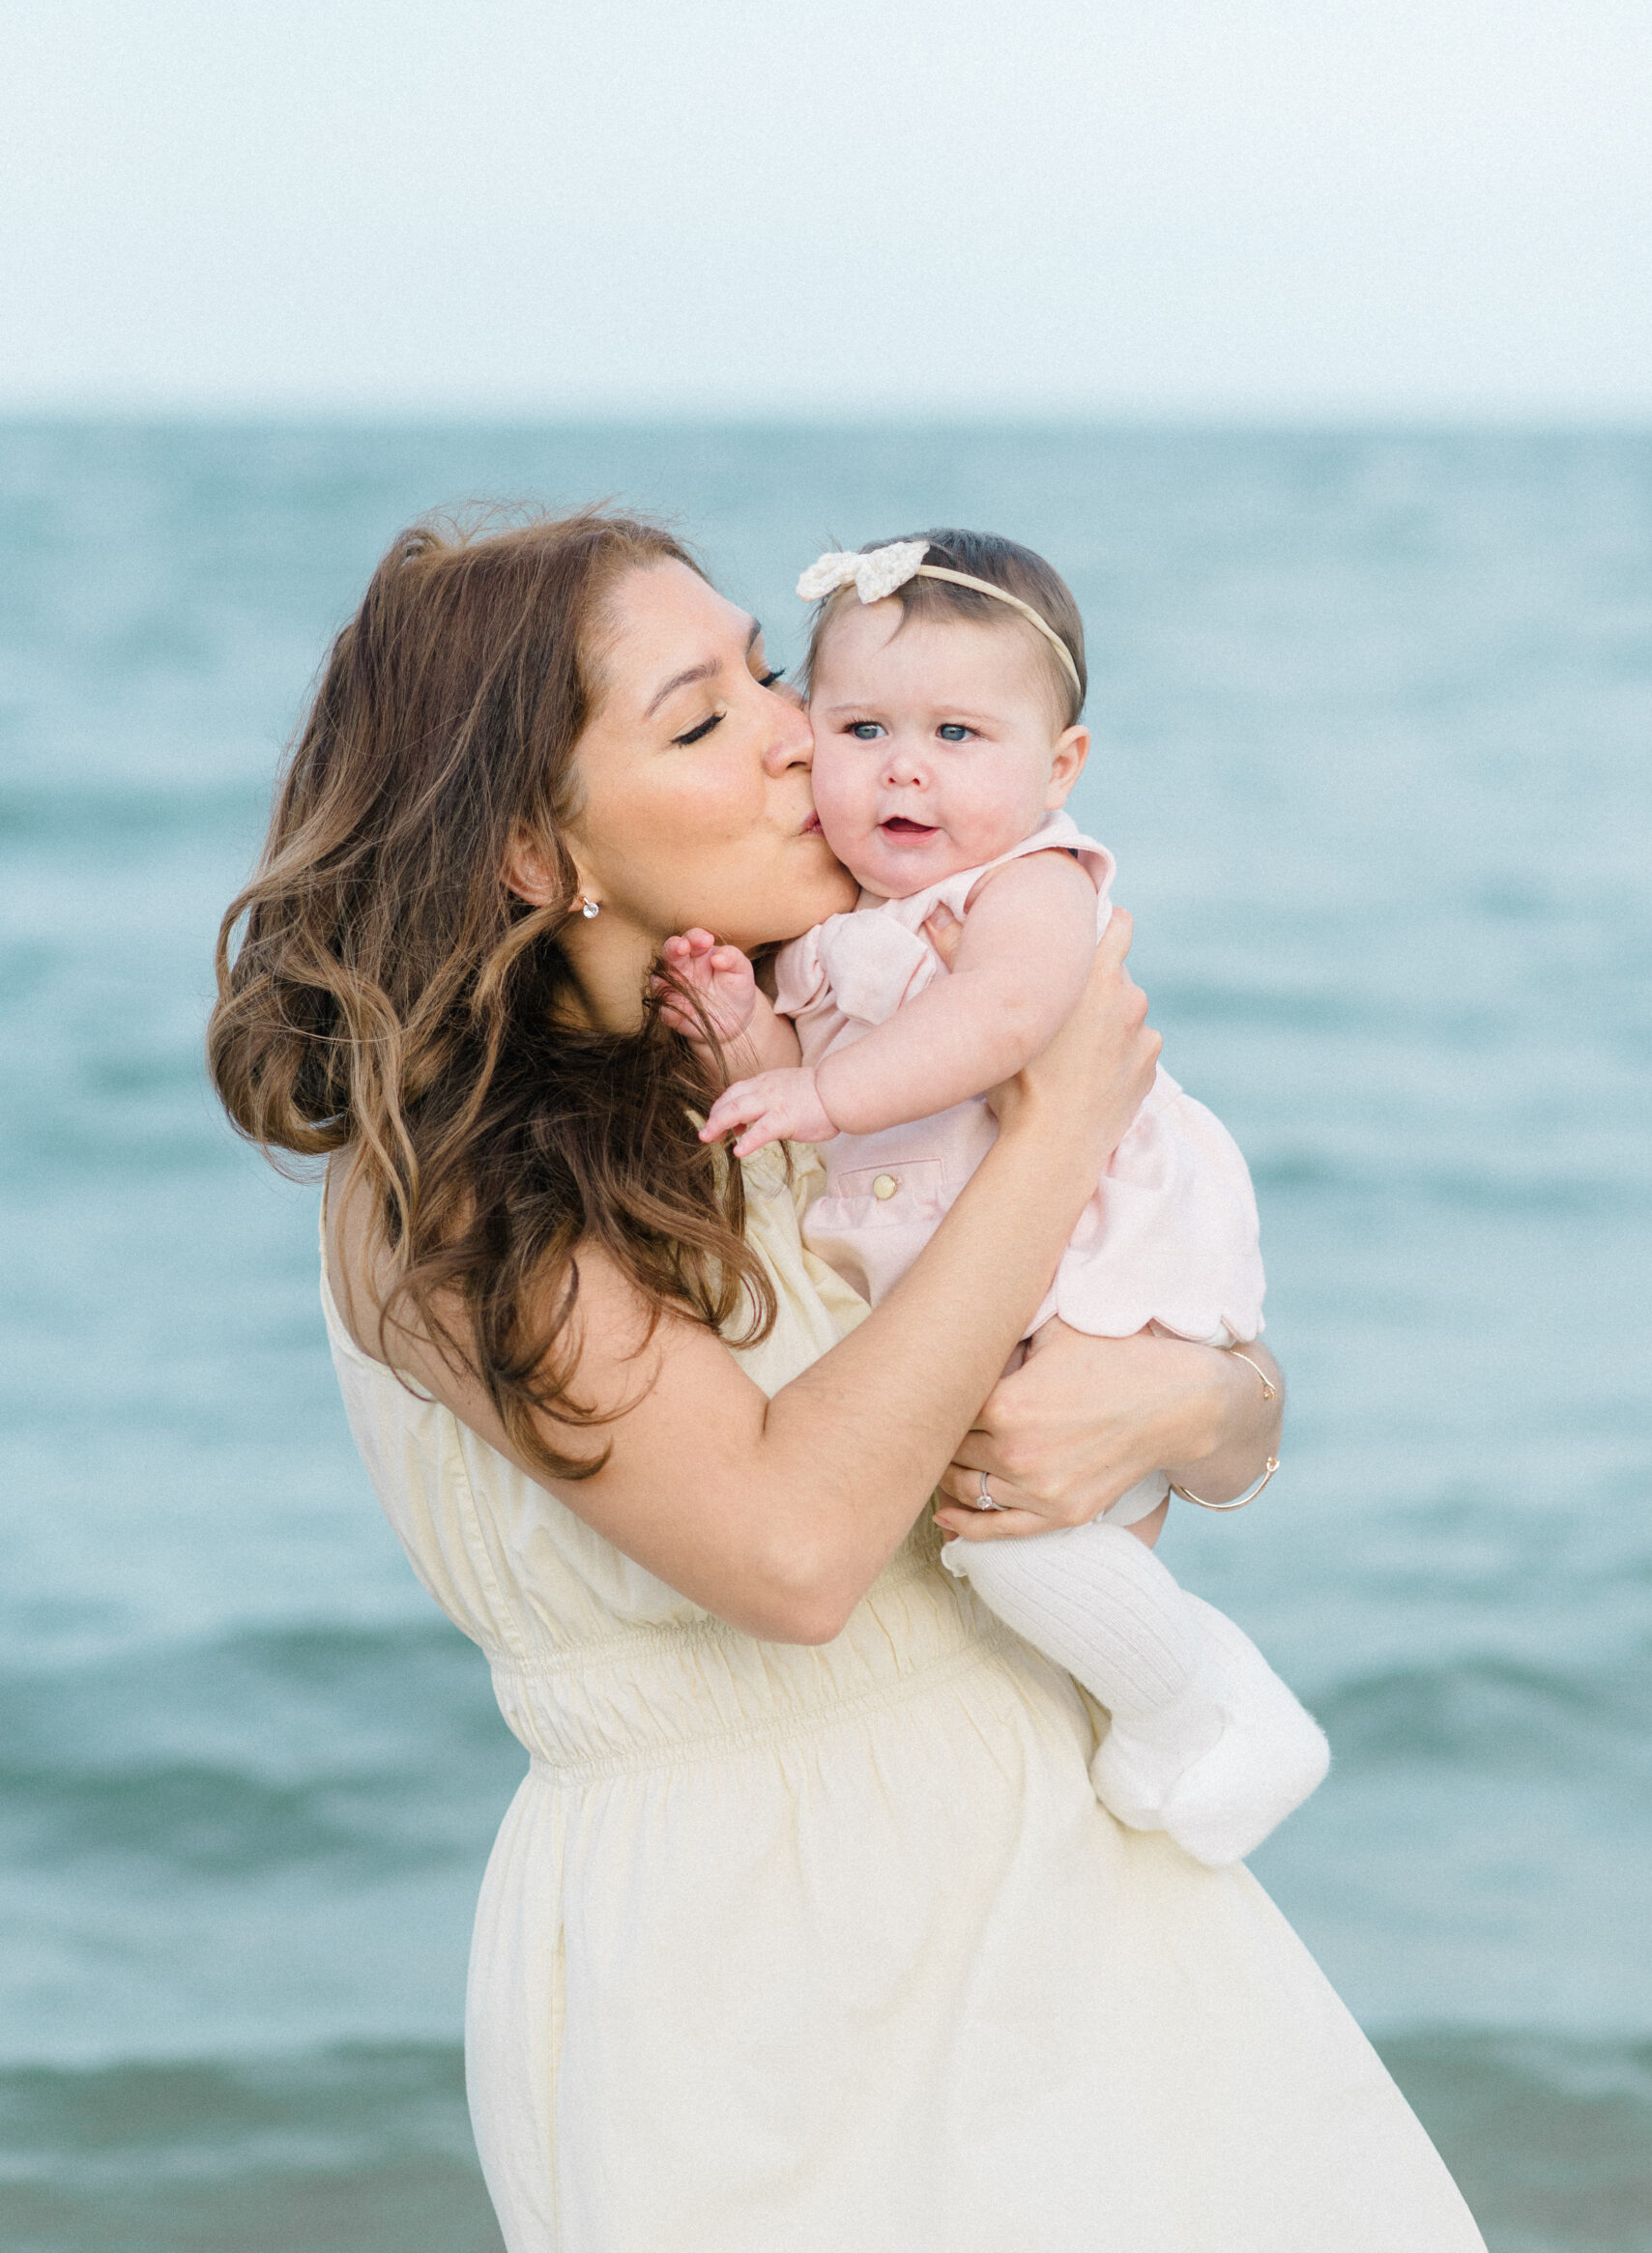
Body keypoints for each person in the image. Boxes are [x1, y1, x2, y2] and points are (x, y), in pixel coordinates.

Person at [209, 511, 1485, 2251]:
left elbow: (1179, 1382)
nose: (800, 733)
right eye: (700, 717)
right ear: (531, 850)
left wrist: (1200, 1414)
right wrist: (1058, 1127)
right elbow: (794, 1554)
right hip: (756, 1956)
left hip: (1073, 1873)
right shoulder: (454, 1189)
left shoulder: (837, 1047)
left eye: (764, 667)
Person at [665, 529, 1328, 1869]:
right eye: (861, 726)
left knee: (1021, 1545)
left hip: (1088, 1260)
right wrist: (743, 1035)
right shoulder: (836, 925)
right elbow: (795, 1084)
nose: (905, 765)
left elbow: (1007, 1020)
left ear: (1057, 769)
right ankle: (1160, 1695)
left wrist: (820, 1100)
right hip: (975, 1276)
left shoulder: (1025, 887)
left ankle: (1195, 1709)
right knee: (1019, 1530)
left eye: (960, 732)